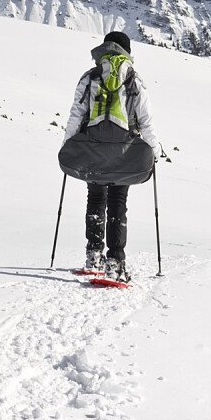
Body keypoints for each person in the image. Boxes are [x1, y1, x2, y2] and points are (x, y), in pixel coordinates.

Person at [61, 31, 159, 282]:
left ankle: (93, 255)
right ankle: (115, 263)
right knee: (118, 202)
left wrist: (68, 145)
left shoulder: (90, 77)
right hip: (124, 152)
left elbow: (76, 114)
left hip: (93, 150)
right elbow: (146, 120)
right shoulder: (134, 79)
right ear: (127, 51)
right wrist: (153, 151)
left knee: (95, 198)